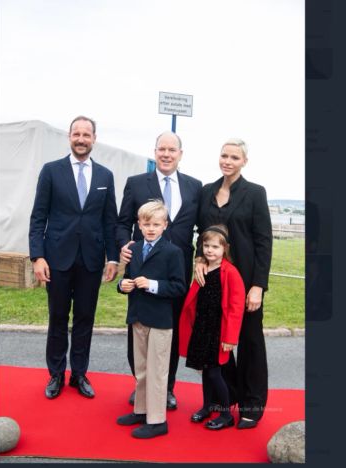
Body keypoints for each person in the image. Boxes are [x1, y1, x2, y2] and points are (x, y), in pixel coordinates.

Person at [29, 116, 119, 399]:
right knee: (57, 317)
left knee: (84, 318)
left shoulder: (105, 176)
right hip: (56, 259)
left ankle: (79, 374)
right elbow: (38, 217)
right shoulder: (51, 171)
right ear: (69, 137)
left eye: (87, 134)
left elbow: (109, 221)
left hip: (91, 261)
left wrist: (113, 258)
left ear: (94, 138)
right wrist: (37, 257)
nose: (81, 139)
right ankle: (56, 373)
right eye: (76, 134)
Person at [116, 131, 201, 410]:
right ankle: (140, 385)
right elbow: (122, 222)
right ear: (155, 152)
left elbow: (203, 227)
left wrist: (201, 257)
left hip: (177, 270)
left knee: (170, 329)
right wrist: (123, 245)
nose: (166, 154)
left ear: (180, 154)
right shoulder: (137, 183)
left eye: (172, 150)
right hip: (142, 265)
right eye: (161, 149)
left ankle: (166, 388)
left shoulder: (194, 186)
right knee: (138, 328)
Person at [194, 138, 272, 429]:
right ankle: (223, 401)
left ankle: (252, 405)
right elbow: (201, 234)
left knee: (250, 342)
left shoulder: (254, 193)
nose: (228, 161)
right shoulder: (206, 192)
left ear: (244, 162)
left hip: (245, 281)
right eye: (224, 155)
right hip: (213, 281)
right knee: (216, 345)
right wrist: (199, 259)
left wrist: (258, 286)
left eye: (234, 157)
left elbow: (264, 241)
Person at [115, 200, 187, 439]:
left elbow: (179, 287)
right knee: (142, 368)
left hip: (160, 320)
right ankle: (142, 409)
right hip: (137, 316)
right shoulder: (133, 249)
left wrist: (153, 285)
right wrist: (122, 285)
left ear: (165, 225)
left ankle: (157, 421)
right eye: (146, 224)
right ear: (139, 224)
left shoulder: (173, 252)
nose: (151, 228)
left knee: (157, 371)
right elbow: (127, 278)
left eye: (156, 224)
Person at [178, 225, 245, 430]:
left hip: (218, 330)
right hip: (201, 328)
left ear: (225, 248)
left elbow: (235, 307)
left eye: (215, 247)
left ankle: (226, 414)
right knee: (205, 371)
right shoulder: (203, 268)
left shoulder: (230, 273)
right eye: (206, 246)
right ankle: (207, 406)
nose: (209, 250)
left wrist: (230, 337)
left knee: (215, 373)